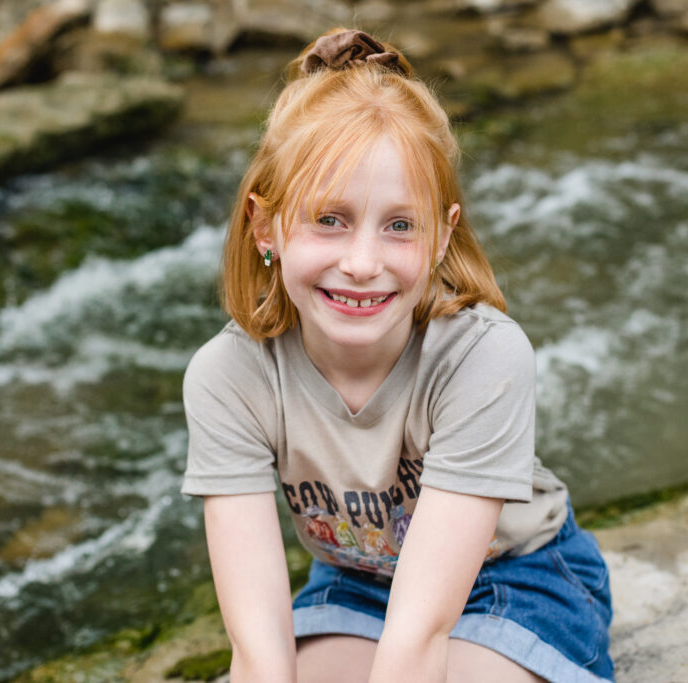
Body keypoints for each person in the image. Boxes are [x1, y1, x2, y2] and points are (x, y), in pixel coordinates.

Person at [180, 28, 613, 683]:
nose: (362, 263)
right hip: (357, 585)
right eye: (330, 218)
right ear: (265, 226)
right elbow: (258, 650)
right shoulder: (228, 377)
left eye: (400, 225)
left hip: (515, 578)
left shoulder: (483, 357)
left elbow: (421, 635)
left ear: (443, 235)